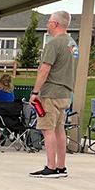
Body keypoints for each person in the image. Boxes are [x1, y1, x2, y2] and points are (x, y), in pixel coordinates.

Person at [29, 11, 76, 178]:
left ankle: (51, 166)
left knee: (47, 129)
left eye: (49, 22)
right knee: (59, 129)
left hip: (51, 92)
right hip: (65, 92)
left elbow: (45, 69)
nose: (47, 25)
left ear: (55, 24)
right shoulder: (71, 43)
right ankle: (61, 166)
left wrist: (35, 92)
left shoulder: (53, 44)